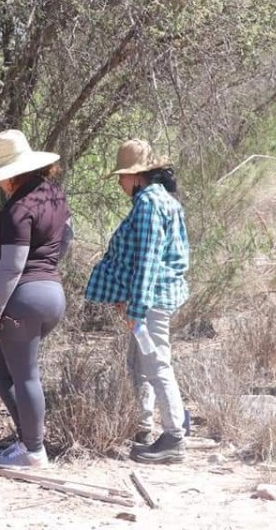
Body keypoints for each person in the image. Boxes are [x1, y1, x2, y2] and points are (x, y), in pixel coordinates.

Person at [0, 129, 72, 470]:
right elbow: (65, 239)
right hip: (52, 294)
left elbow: (11, 269)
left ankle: (33, 450)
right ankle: (28, 437)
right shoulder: (53, 197)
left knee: (26, 375)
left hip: (23, 300)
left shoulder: (18, 210)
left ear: (11, 176)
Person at [85, 138, 189, 465]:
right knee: (140, 365)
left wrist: (137, 308)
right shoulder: (161, 201)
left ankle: (173, 436)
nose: (119, 182)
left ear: (137, 176)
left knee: (156, 364)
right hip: (154, 297)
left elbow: (148, 260)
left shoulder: (148, 204)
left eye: (122, 175)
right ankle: (142, 427)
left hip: (152, 299)